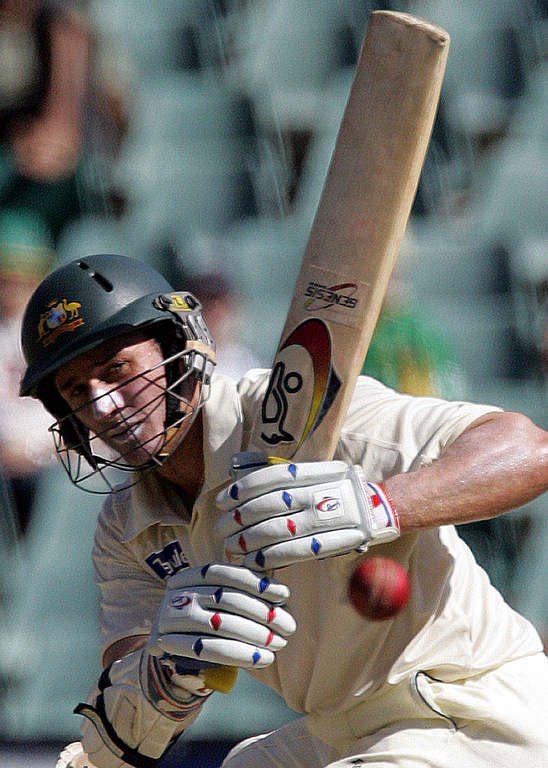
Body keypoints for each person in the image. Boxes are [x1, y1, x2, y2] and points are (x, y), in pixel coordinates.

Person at [17, 254, 547, 768]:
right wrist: (167, 669)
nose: (104, 405)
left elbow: (529, 452)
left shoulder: (309, 411)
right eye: (77, 390)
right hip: (337, 730)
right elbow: (121, 735)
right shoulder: (126, 526)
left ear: (178, 347)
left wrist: (378, 505)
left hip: (470, 708)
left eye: (118, 369)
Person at [0, 207, 56, 535]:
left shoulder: (57, 335)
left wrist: (33, 453)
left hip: (51, 470)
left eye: (21, 278)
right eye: (5, 279)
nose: (12, 288)